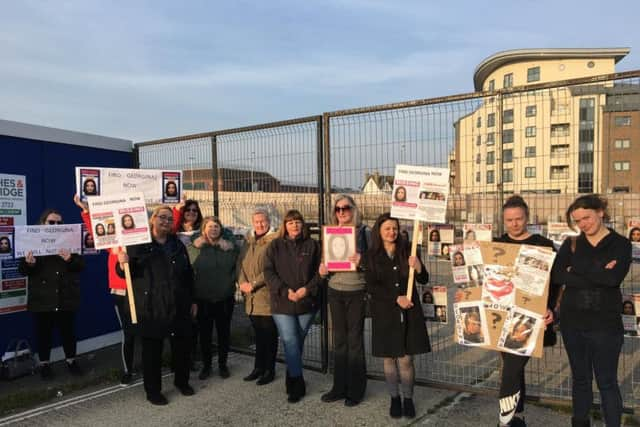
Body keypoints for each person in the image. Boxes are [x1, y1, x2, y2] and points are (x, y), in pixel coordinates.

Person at [552, 194, 631, 427]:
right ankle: (579, 422)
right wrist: (598, 270)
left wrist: (575, 270)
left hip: (605, 326)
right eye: (578, 221)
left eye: (587, 217)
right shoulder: (572, 243)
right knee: (581, 380)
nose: (583, 224)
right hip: (572, 324)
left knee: (607, 382)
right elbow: (558, 274)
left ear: (600, 212)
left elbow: (613, 279)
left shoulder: (621, 244)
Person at [116, 206, 197, 405]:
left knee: (182, 348)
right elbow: (124, 273)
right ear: (152, 220)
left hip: (178, 304)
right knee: (152, 352)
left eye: (170, 219)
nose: (166, 222)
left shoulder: (178, 245)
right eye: (162, 217)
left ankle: (182, 382)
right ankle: (153, 391)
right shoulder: (137, 244)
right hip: (151, 307)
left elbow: (188, 275)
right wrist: (121, 263)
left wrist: (193, 300)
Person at [493, 195, 556, 427]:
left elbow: (555, 282)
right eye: (509, 220)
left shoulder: (543, 244)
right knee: (512, 368)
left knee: (511, 368)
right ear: (504, 220)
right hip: (501, 316)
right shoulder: (497, 243)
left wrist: (552, 308)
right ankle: (517, 416)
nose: (514, 224)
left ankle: (504, 420)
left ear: (527, 218)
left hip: (530, 317)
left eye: (519, 219)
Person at [364, 212, 430, 419]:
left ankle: (408, 398)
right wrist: (395, 298)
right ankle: (394, 398)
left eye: (394, 228)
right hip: (385, 313)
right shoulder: (371, 256)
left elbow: (424, 279)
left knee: (406, 360)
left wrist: (418, 267)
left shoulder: (408, 251)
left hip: (409, 312)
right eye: (387, 229)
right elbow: (372, 287)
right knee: (389, 359)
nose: (391, 232)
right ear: (379, 232)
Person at [74, 194, 136, 385]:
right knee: (129, 334)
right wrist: (85, 209)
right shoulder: (112, 241)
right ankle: (128, 371)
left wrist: (177, 209)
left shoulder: (141, 238)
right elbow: (96, 230)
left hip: (143, 291)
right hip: (121, 293)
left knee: (148, 332)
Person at [18, 209, 85, 380]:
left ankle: (71, 361)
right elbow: (23, 270)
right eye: (52, 222)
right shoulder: (31, 241)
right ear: (43, 223)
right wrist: (29, 263)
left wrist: (70, 259)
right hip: (42, 298)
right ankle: (44, 365)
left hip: (65, 296)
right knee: (43, 334)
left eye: (59, 223)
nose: (56, 226)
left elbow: (80, 266)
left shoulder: (70, 240)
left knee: (68, 332)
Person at [264, 209, 321, 403]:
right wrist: (285, 290)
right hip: (283, 303)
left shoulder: (313, 245)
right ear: (284, 226)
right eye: (290, 222)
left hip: (307, 302)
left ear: (303, 224)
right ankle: (297, 382)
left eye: (298, 221)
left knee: (297, 343)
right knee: (290, 340)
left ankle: (291, 374)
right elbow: (268, 272)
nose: (294, 225)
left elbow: (320, 273)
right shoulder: (275, 246)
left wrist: (307, 289)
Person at [319, 195, 369, 406]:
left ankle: (356, 389)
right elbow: (325, 263)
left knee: (354, 341)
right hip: (335, 291)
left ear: (353, 209)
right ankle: (339, 387)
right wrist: (322, 271)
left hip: (356, 291)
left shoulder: (365, 232)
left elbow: (375, 263)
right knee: (338, 342)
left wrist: (362, 260)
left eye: (345, 208)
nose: (341, 212)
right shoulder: (329, 234)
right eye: (338, 209)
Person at [187, 216, 238, 381]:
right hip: (203, 300)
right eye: (210, 227)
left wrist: (229, 242)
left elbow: (238, 264)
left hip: (224, 298)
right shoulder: (196, 248)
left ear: (221, 229)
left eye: (216, 226)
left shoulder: (229, 248)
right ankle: (207, 366)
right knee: (205, 335)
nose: (213, 229)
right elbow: (187, 272)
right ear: (203, 230)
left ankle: (223, 365)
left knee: (224, 334)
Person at [237, 209, 278, 386]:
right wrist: (242, 283)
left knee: (269, 335)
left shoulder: (274, 241)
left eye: (263, 221)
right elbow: (240, 262)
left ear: (268, 221)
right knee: (259, 335)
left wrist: (252, 284)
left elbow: (271, 267)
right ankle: (258, 367)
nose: (260, 224)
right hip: (250, 297)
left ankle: (269, 369)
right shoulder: (248, 240)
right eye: (256, 221)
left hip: (266, 295)